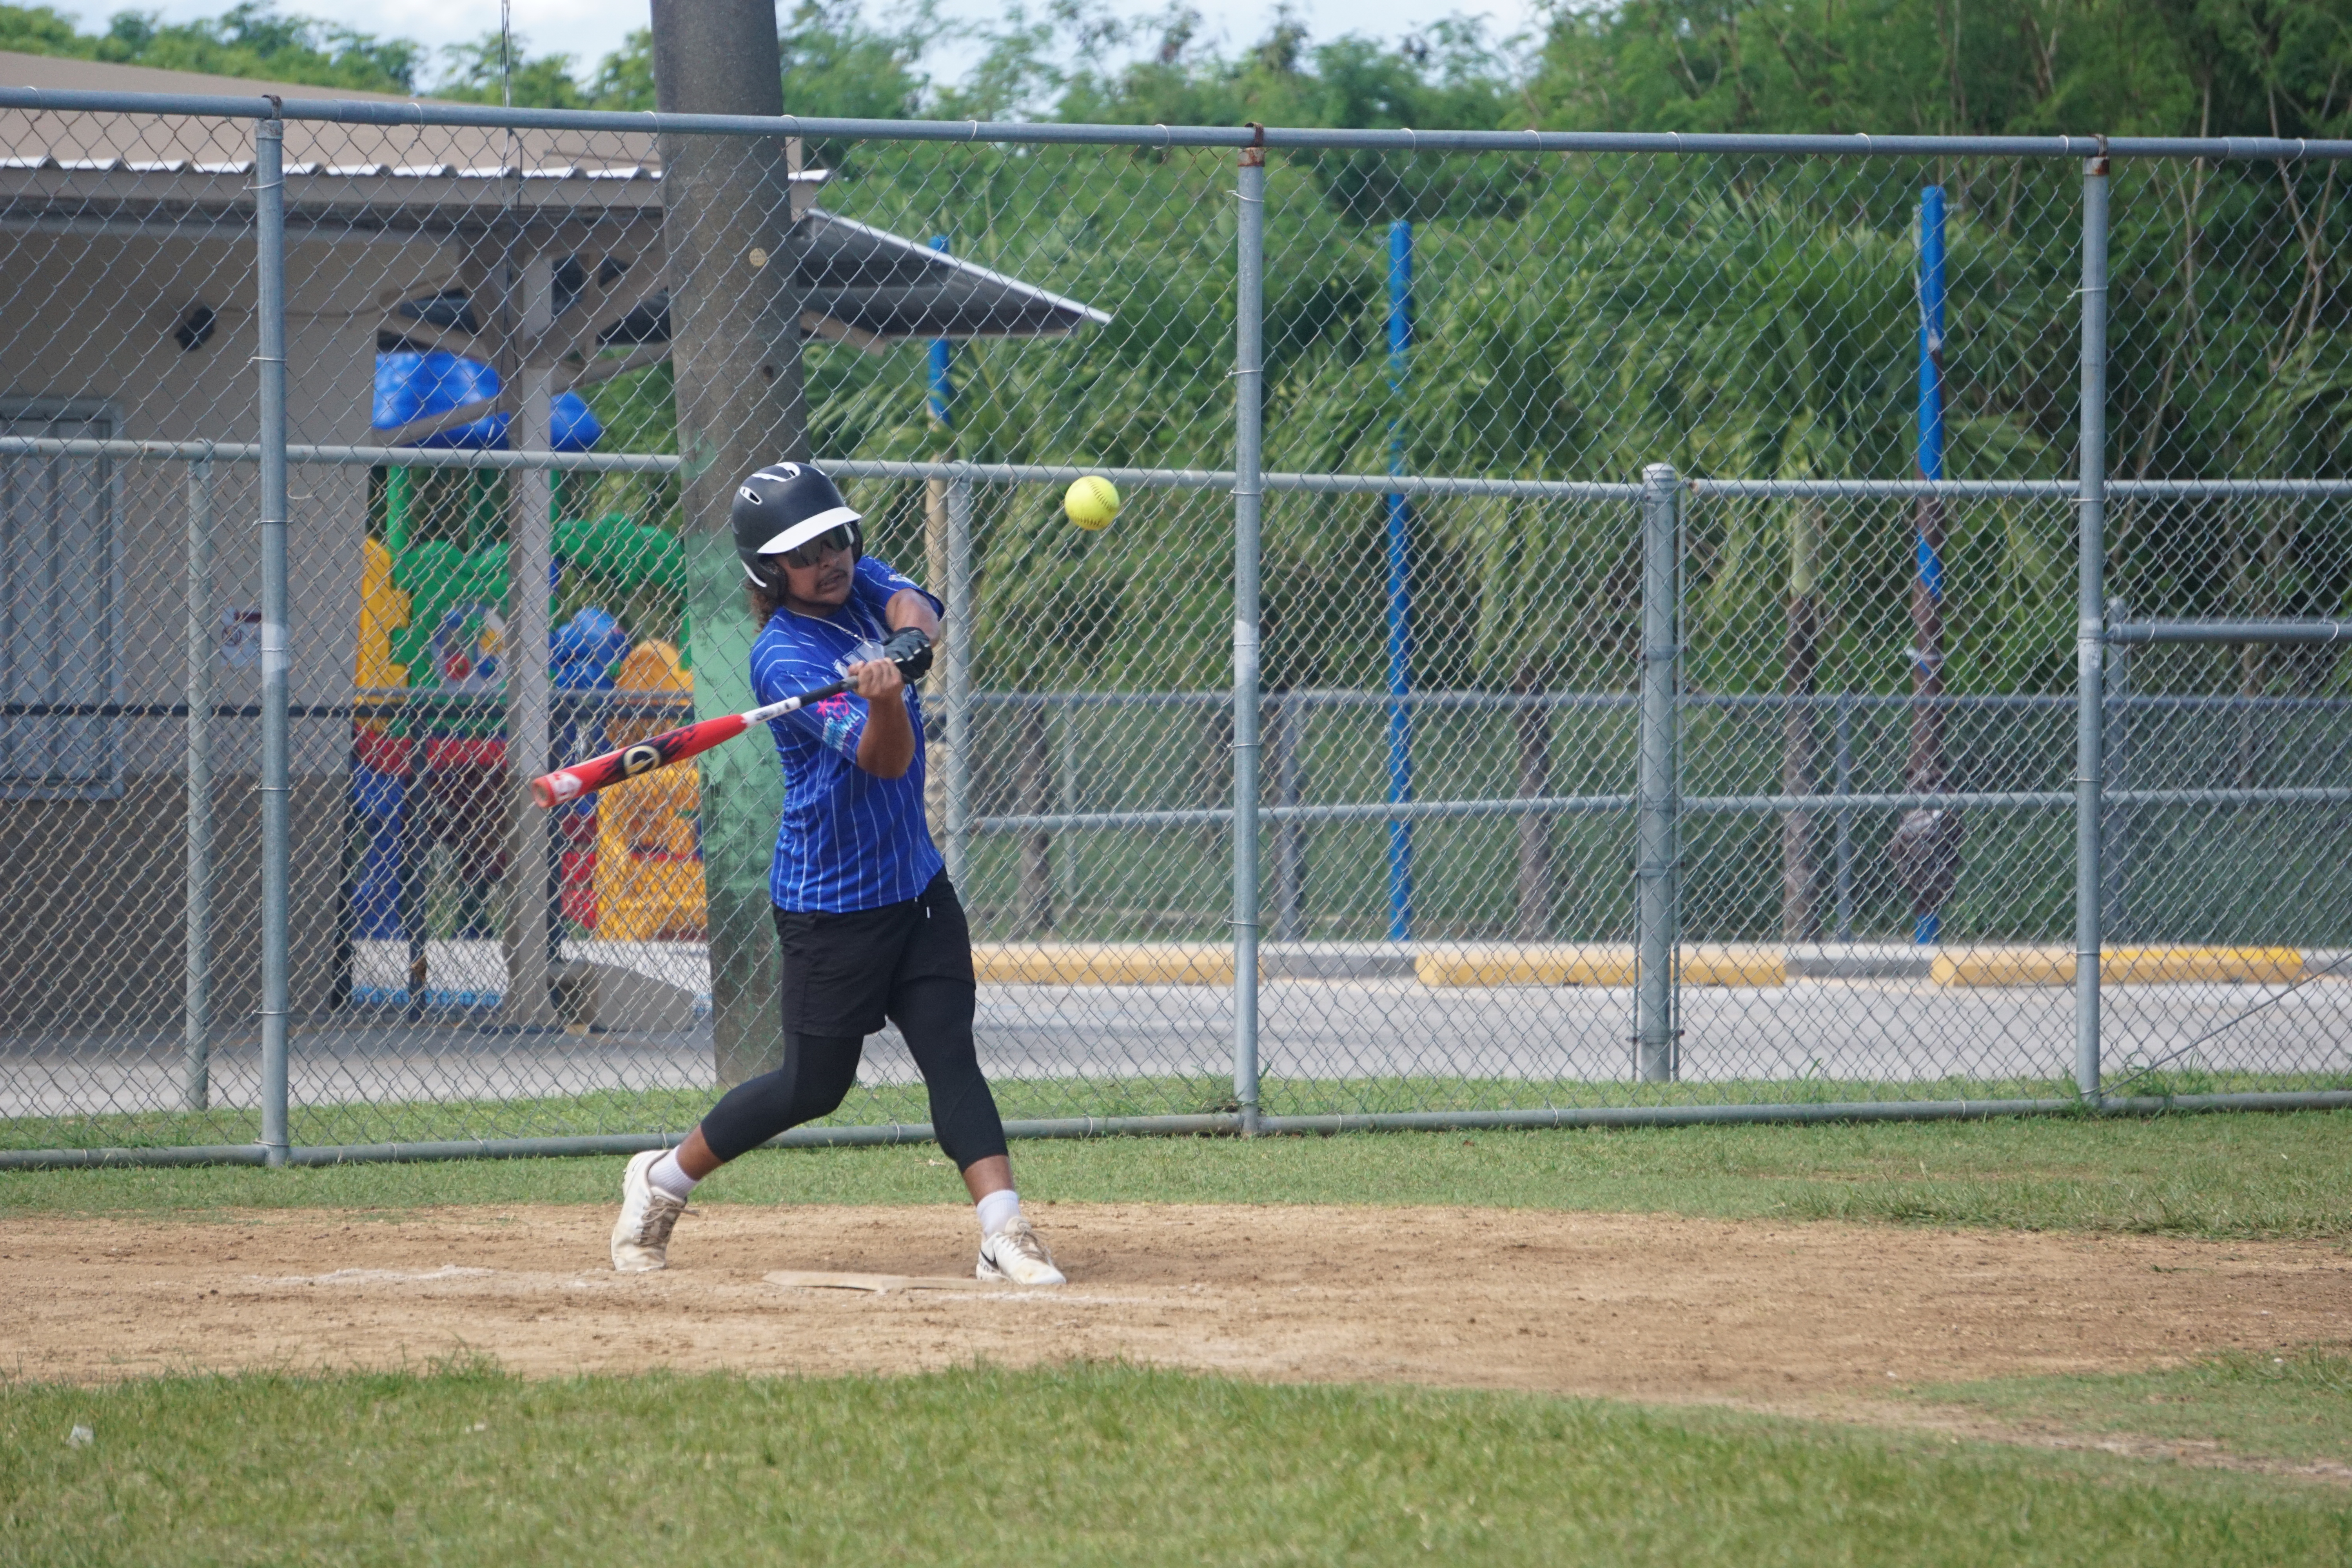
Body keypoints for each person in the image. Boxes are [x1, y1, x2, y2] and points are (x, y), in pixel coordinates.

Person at [609, 462, 1063, 1286]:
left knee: (950, 1051)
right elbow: (887, 761)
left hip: (916, 885)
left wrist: (905, 644)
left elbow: (918, 606)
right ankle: (662, 1179)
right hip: (832, 905)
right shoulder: (783, 658)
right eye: (802, 551)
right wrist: (885, 697)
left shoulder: (861, 585)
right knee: (810, 1087)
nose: (828, 558)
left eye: (833, 539)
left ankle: (1006, 1231)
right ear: (766, 571)